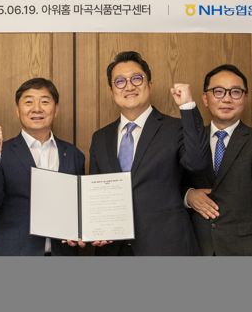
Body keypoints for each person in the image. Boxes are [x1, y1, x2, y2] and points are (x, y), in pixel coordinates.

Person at [88, 51, 211, 256]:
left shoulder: (175, 128)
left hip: (166, 246)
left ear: (150, 85)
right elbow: (96, 192)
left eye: (137, 78)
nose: (129, 86)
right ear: (111, 90)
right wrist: (95, 227)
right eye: (120, 81)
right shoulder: (100, 137)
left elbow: (198, 162)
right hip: (114, 249)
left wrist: (188, 107)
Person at [180, 64, 252, 255]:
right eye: (218, 92)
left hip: (249, 248)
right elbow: (169, 181)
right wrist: (188, 195)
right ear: (205, 99)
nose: (227, 99)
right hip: (199, 245)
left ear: (245, 98)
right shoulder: (190, 139)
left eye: (236, 92)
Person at [0, 78, 85, 256]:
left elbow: (80, 208)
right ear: (17, 110)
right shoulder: (1, 152)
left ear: (56, 109)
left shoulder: (74, 155)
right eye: (28, 102)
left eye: (45, 102)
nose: (37, 108)